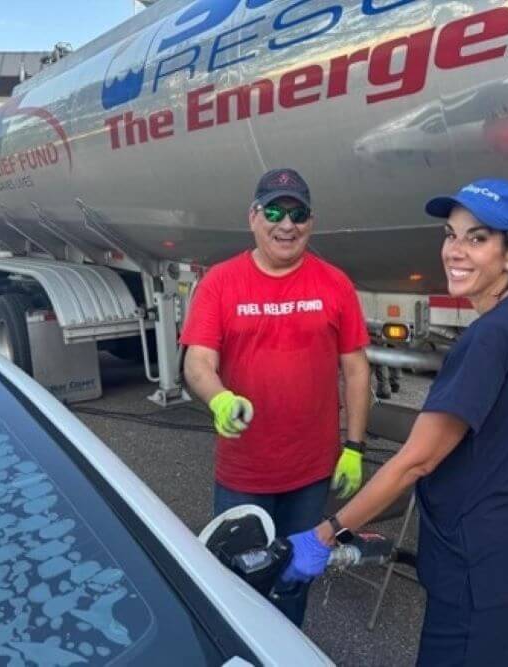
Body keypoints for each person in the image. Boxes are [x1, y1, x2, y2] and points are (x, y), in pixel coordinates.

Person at [282, 179, 508, 665]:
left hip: (477, 564)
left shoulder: (489, 339)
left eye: (477, 238)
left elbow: (415, 462)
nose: (455, 251)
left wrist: (326, 533)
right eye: (450, 235)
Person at [180, 167, 372, 626]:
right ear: (253, 217)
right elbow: (197, 362)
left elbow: (356, 368)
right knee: (236, 580)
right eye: (274, 211)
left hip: (310, 473)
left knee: (294, 579)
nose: (286, 225)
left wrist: (355, 447)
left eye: (298, 213)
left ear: (311, 221)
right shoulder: (221, 283)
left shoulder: (334, 283)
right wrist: (220, 399)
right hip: (243, 472)